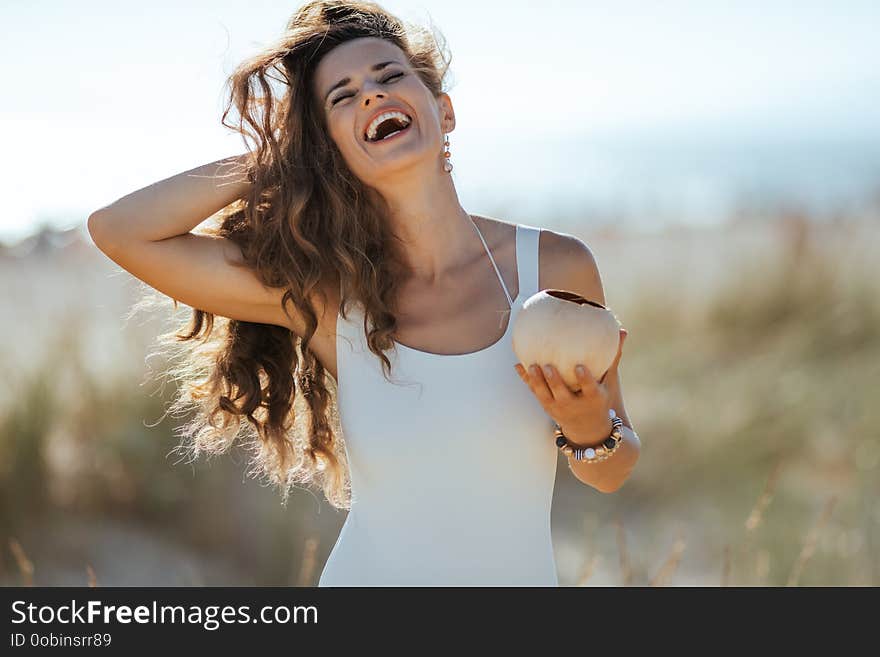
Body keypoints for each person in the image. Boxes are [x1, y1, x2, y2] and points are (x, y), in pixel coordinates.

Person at [87, 0, 640, 586]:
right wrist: (280, 154)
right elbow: (119, 232)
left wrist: (589, 429)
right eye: (342, 97)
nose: (371, 96)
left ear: (443, 110)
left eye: (390, 75)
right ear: (331, 149)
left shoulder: (553, 268)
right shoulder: (330, 298)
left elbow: (613, 470)